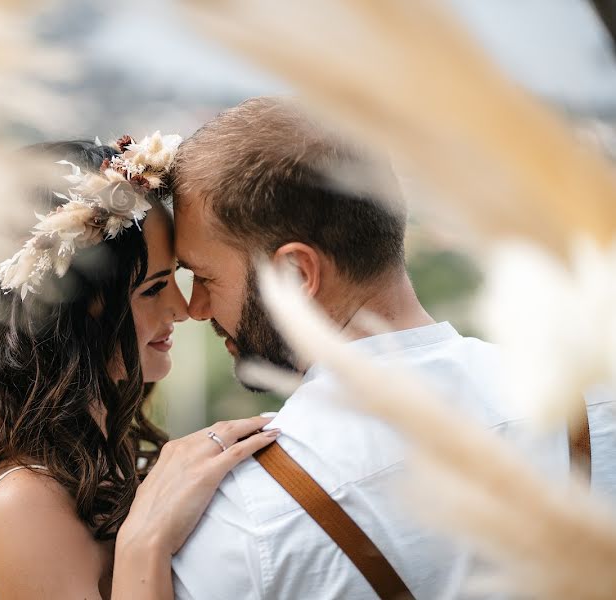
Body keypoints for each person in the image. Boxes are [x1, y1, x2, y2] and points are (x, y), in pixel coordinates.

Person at [168, 97, 616, 598]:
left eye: (204, 277)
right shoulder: (600, 403)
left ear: (295, 274)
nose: (196, 307)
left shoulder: (245, 521)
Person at [0, 136, 280, 600]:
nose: (183, 310)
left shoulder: (87, 469)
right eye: (154, 288)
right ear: (74, 314)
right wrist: (147, 540)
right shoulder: (19, 505)